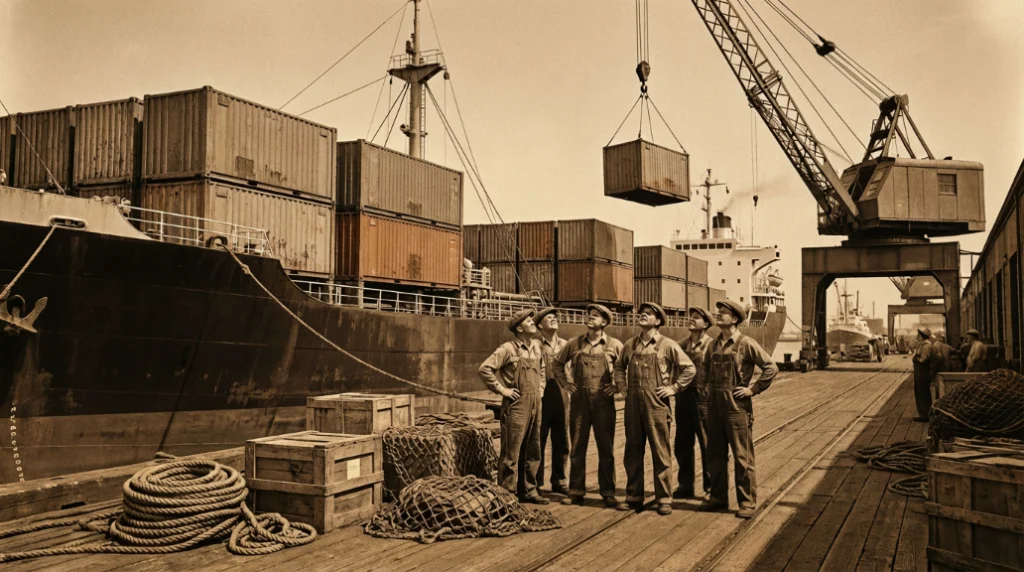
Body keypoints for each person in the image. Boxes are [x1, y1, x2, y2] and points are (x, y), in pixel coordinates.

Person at [614, 302, 696, 516]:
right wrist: (621, 385)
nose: (642, 315)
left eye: (648, 314)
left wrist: (673, 388)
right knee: (632, 451)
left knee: (661, 451)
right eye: (641, 313)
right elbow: (618, 366)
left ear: (658, 321)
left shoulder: (667, 345)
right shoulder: (630, 345)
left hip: (657, 405)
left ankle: (664, 498)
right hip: (633, 404)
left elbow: (689, 368)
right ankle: (633, 495)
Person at [700, 300, 778, 520]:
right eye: (718, 312)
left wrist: (753, 389)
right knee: (714, 455)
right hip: (714, 408)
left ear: (734, 319)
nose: (718, 315)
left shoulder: (746, 343)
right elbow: (704, 372)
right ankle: (718, 498)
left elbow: (771, 367)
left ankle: (747, 502)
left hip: (737, 409)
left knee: (742, 457)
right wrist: (706, 393)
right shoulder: (713, 345)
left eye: (722, 313)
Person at [552, 304, 623, 508]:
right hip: (579, 403)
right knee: (577, 446)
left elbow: (624, 366)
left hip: (604, 403)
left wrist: (618, 385)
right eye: (589, 315)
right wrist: (565, 383)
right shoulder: (574, 343)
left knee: (606, 448)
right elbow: (556, 364)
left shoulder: (614, 345)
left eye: (595, 316)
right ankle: (576, 491)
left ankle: (608, 492)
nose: (590, 318)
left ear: (605, 322)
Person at [478, 309, 549, 504]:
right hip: (516, 405)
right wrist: (503, 390)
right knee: (511, 452)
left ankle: (529, 490)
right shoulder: (507, 349)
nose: (533, 322)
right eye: (529, 320)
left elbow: (542, 370)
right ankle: (506, 495)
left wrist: (540, 389)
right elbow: (485, 369)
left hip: (536, 403)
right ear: (519, 327)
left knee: (534, 449)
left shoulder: (536, 346)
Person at [674, 306, 714, 500]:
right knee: (682, 444)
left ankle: (711, 487)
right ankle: (685, 485)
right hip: (683, 399)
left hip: (704, 401)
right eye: (691, 317)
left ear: (705, 324)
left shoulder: (712, 346)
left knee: (707, 443)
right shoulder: (680, 345)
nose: (691, 320)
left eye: (696, 318)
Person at [535, 307, 569, 495]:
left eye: (555, 316)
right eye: (549, 317)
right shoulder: (534, 345)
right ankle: (536, 481)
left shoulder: (565, 345)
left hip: (562, 395)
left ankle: (559, 479)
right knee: (538, 438)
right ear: (540, 325)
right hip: (542, 395)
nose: (554, 319)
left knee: (562, 437)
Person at [911, 328, 934, 422]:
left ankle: (925, 414)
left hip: (922, 371)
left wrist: (916, 358)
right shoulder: (923, 344)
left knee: (922, 391)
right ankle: (923, 413)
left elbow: (923, 359)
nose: (917, 336)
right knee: (919, 391)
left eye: (919, 334)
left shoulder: (926, 345)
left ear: (921, 336)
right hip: (919, 371)